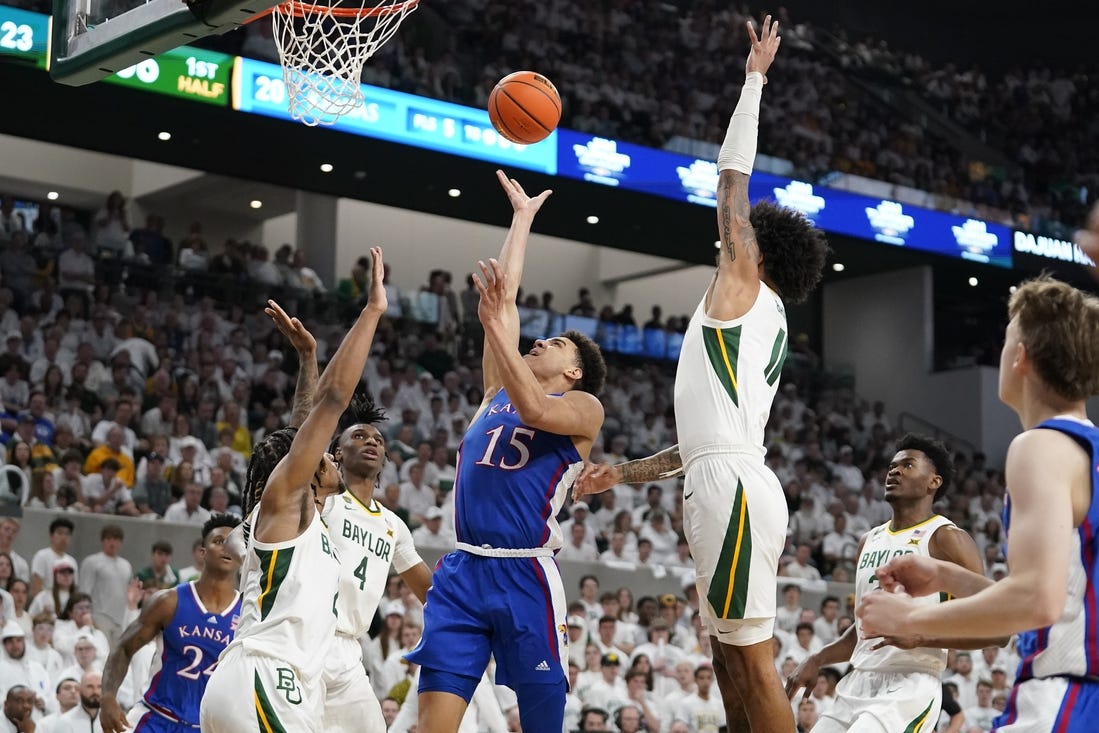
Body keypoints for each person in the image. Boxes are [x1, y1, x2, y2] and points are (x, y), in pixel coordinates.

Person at [574, 17, 828, 733]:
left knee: (751, 662)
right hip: (721, 476)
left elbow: (729, 181)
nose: (728, 239)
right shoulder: (758, 321)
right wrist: (620, 475)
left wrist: (753, 80)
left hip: (734, 487)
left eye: (740, 238)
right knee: (725, 659)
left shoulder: (743, 287)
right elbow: (698, 442)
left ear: (756, 250)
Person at [406, 171, 607, 733]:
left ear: (572, 371)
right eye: (539, 338)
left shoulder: (584, 408)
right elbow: (506, 299)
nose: (539, 341)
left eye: (557, 344)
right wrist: (521, 221)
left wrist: (496, 326)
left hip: (525, 577)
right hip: (464, 569)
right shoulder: (496, 392)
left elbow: (538, 411)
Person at [857, 276, 1099, 732]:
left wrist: (914, 618)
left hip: (1068, 698)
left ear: (1020, 356)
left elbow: (1038, 600)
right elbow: (1069, 599)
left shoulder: (1041, 446)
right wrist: (947, 575)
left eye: (1006, 338)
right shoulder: (1088, 450)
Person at [200, 248, 388, 733]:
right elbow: (331, 404)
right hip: (267, 678)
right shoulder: (285, 504)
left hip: (261, 682)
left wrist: (307, 357)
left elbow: (303, 427)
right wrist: (370, 313)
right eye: (322, 454)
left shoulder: (298, 513)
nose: (327, 455)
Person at [784, 434, 996, 732]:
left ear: (933, 482)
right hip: (857, 681)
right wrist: (817, 657)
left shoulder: (947, 538)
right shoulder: (867, 541)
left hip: (911, 684)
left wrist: (923, 638)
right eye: (892, 466)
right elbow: (862, 632)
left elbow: (996, 627)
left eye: (908, 465)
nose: (894, 471)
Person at [321, 398, 433, 733]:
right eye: (358, 437)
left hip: (350, 650)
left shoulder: (393, 525)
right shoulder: (323, 502)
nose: (371, 441)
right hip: (309, 637)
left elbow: (429, 589)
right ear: (337, 453)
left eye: (378, 440)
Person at [98, 514, 242, 733]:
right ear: (202, 553)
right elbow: (123, 647)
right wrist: (108, 696)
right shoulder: (169, 601)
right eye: (219, 541)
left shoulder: (248, 613)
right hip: (156, 717)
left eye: (233, 542)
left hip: (207, 726)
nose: (226, 548)